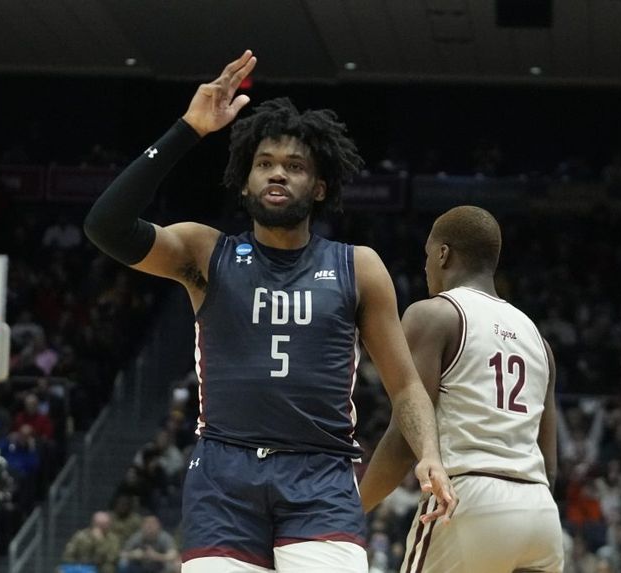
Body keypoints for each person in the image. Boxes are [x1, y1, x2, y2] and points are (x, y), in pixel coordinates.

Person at [84, 49, 456, 573]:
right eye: (264, 164)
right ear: (244, 181)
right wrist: (188, 129)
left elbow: (406, 386)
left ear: (319, 187)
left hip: (321, 474)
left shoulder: (358, 266)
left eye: (294, 166)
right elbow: (106, 226)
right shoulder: (204, 253)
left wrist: (430, 455)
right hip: (223, 475)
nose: (277, 174)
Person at [359, 206, 564, 572]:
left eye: (427, 256)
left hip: (469, 498)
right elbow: (549, 466)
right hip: (540, 513)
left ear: (443, 254)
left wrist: (354, 507)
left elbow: (407, 437)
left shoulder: (434, 314)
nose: (425, 268)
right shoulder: (538, 339)